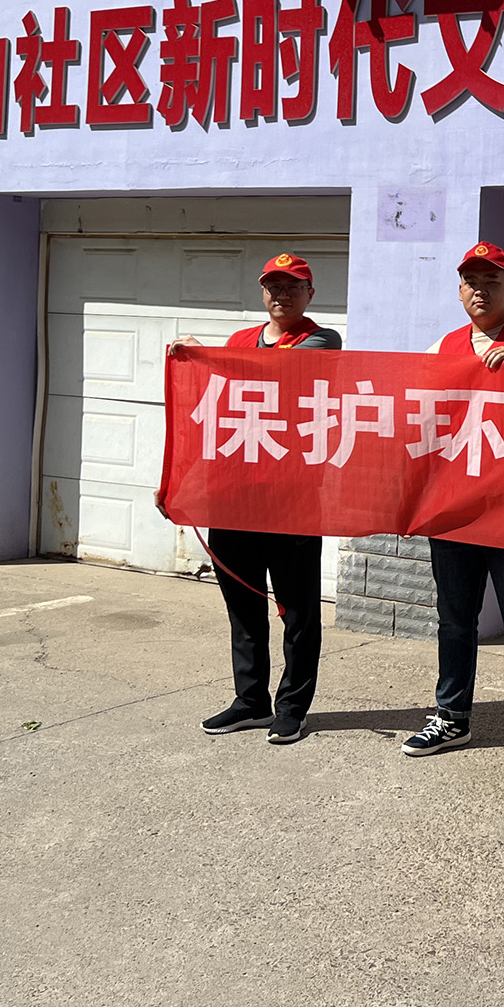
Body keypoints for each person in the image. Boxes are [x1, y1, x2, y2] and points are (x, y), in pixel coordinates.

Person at [401, 241, 504, 775]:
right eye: (471, 282)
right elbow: (417, 420)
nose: (480, 290)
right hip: (455, 510)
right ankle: (452, 717)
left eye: (491, 281)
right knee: (455, 619)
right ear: (459, 291)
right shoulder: (442, 347)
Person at [181, 253, 341, 746]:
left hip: (292, 501)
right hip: (234, 498)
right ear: (262, 292)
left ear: (309, 294)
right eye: (273, 286)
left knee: (298, 611)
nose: (282, 295)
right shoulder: (238, 342)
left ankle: (292, 708)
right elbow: (209, 415)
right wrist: (180, 483)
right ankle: (250, 701)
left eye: (293, 287)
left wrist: (207, 355)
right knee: (244, 606)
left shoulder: (321, 340)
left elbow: (279, 373)